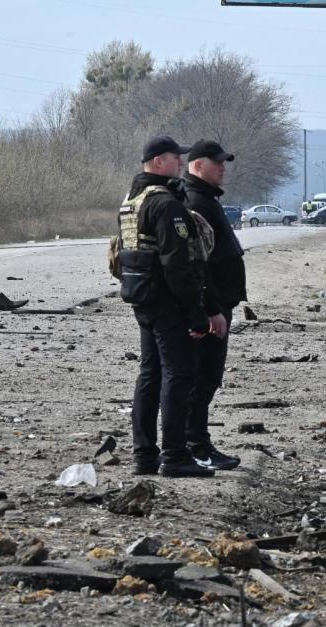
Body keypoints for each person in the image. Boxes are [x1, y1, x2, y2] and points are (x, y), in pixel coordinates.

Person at [122, 135, 214, 478]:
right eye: (176, 157)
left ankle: (144, 456)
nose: (181, 162)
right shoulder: (164, 204)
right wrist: (195, 310)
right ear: (158, 162)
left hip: (141, 297)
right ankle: (174, 454)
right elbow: (178, 262)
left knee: (150, 374)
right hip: (167, 300)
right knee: (179, 375)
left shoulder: (132, 199)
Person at [182, 139, 245, 470]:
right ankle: (196, 446)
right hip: (211, 308)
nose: (223, 167)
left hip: (219, 304)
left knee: (207, 377)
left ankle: (198, 443)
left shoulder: (206, 199)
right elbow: (198, 263)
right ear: (196, 166)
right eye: (216, 162)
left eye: (224, 162)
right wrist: (210, 309)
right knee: (202, 378)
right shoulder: (195, 201)